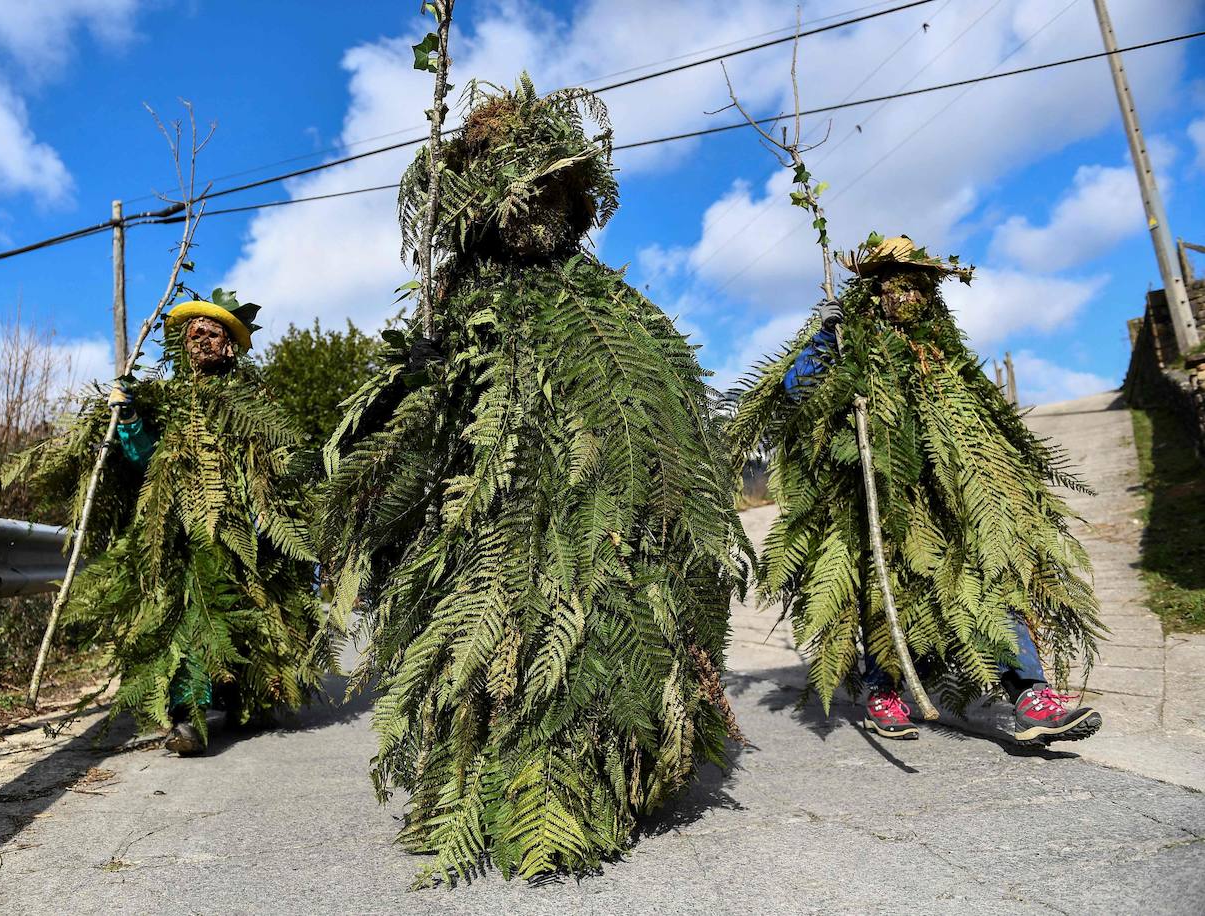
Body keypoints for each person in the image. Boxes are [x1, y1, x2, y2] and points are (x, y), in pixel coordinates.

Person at [321, 76, 747, 883]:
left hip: (599, 516)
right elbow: (397, 442)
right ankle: (503, 787)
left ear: (574, 204)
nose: (536, 209)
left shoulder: (606, 308)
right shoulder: (453, 302)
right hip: (491, 522)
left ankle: (582, 788)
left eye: (553, 191)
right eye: (523, 192)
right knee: (495, 646)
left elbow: (663, 417)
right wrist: (420, 378)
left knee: (599, 640)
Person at [732, 234, 1103, 744]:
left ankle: (1030, 698)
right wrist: (826, 338)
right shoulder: (844, 339)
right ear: (877, 290)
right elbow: (797, 391)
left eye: (918, 288)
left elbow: (983, 422)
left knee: (994, 577)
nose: (908, 297)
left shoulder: (941, 351)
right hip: (870, 492)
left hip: (953, 495)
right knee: (883, 590)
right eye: (897, 287)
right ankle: (884, 691)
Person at [0, 290, 335, 756]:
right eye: (195, 333)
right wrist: (129, 416)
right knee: (190, 617)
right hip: (180, 532)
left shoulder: (252, 402)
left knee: (245, 619)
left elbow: (277, 460)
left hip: (245, 531)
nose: (202, 341)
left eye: (213, 333)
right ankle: (188, 717)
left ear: (230, 346)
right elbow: (150, 459)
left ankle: (238, 695)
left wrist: (268, 506)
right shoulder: (166, 401)